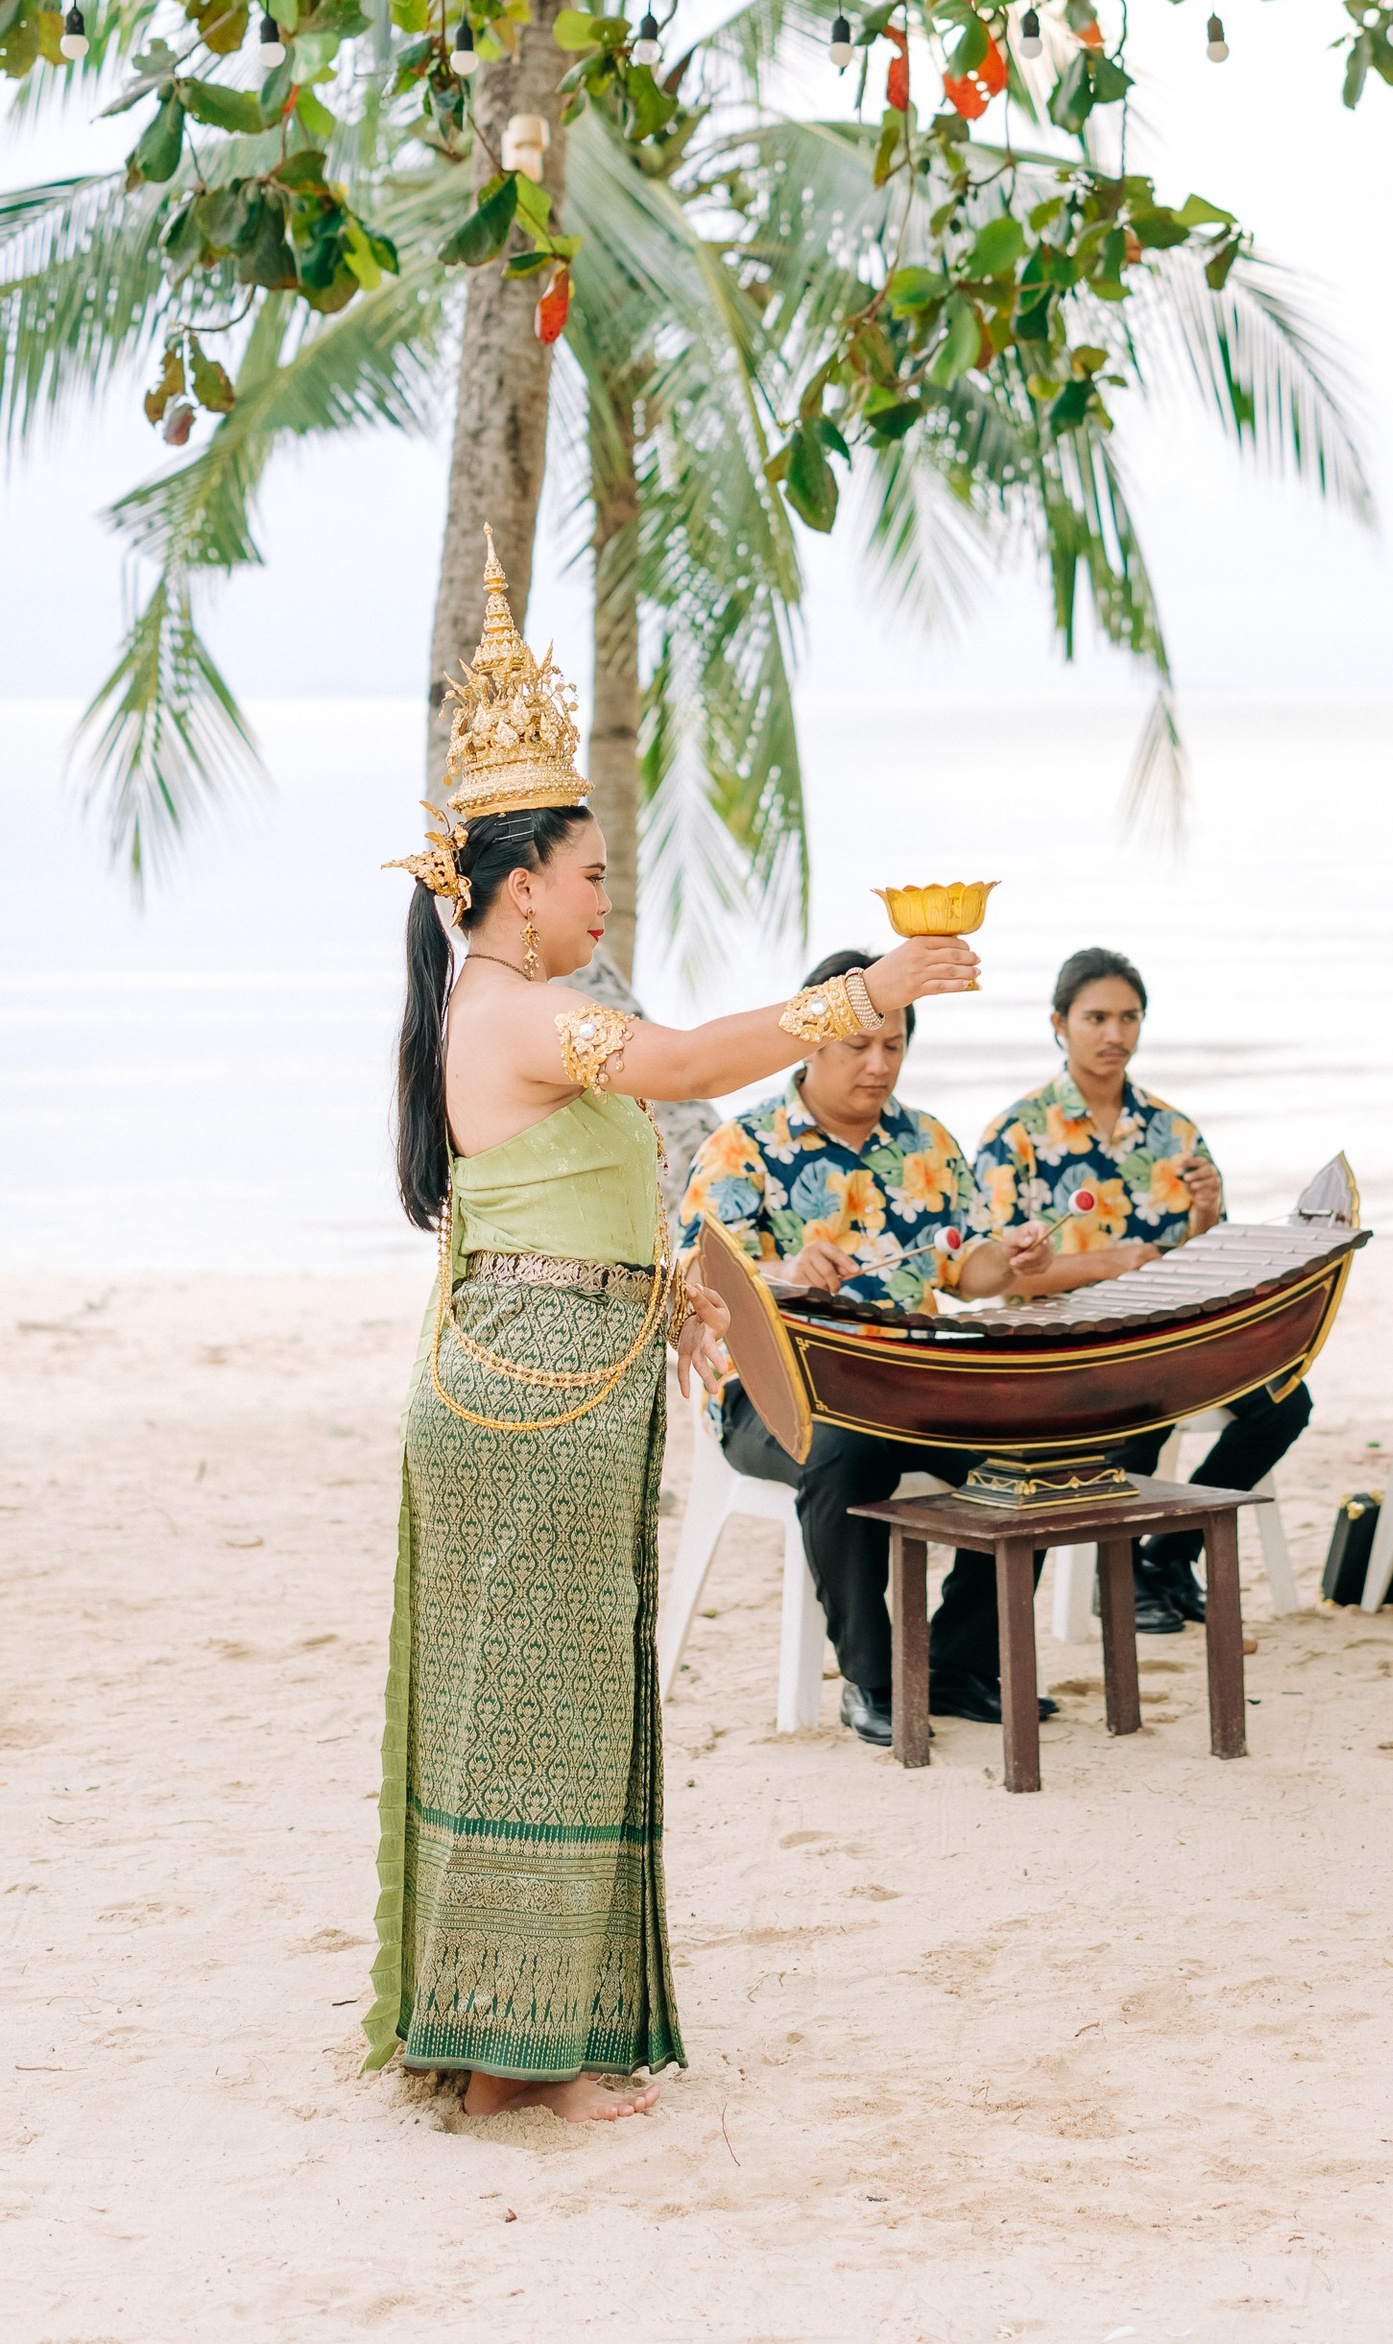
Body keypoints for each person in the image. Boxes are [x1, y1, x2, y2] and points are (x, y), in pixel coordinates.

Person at [366, 539, 977, 2122]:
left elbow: (618, 1179)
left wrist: (694, 1289)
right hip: (532, 1394)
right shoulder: (513, 1012)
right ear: (518, 889)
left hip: (547, 1378)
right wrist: (870, 990)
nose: (604, 897)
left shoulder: (495, 1010)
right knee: (538, 1711)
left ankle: (513, 2048)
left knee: (547, 1702)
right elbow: (697, 1066)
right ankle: (526, 2062)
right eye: (590, 876)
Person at [674, 955, 1052, 1742]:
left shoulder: (927, 1143)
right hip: (773, 1389)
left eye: (895, 1044)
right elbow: (693, 1285)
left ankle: (959, 1662)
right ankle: (872, 1681)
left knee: (1030, 1450)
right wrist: (782, 1273)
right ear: (809, 1041)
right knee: (847, 1450)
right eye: (858, 1046)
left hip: (907, 1380)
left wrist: (1009, 1261)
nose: (879, 1065)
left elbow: (967, 1270)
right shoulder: (742, 1149)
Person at [969, 945, 1311, 1634]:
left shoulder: (1172, 1130)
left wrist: (1208, 1216)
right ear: (1058, 1024)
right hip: (1065, 1340)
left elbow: (1214, 1264)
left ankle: (1167, 1553)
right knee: (1142, 1397)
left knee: (1284, 1400)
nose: (1114, 1034)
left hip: (1168, 1332)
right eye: (1096, 1017)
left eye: (1129, 1018)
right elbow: (995, 1272)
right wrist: (1105, 1266)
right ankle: (1116, 1573)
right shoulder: (1015, 1137)